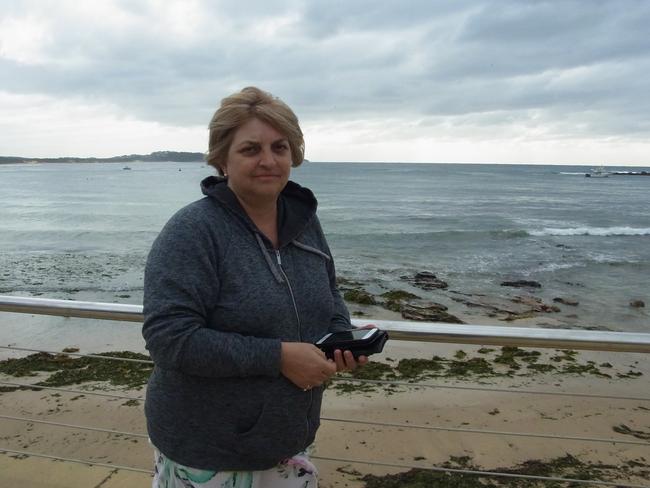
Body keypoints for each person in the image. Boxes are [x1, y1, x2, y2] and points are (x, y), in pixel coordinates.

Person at [142, 86, 371, 487]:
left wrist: (340, 342)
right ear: (222, 160)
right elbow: (169, 338)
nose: (268, 160)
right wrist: (279, 357)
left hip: (288, 445)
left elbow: (329, 292)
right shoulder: (193, 231)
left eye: (279, 148)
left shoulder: (304, 223)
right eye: (251, 150)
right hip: (208, 454)